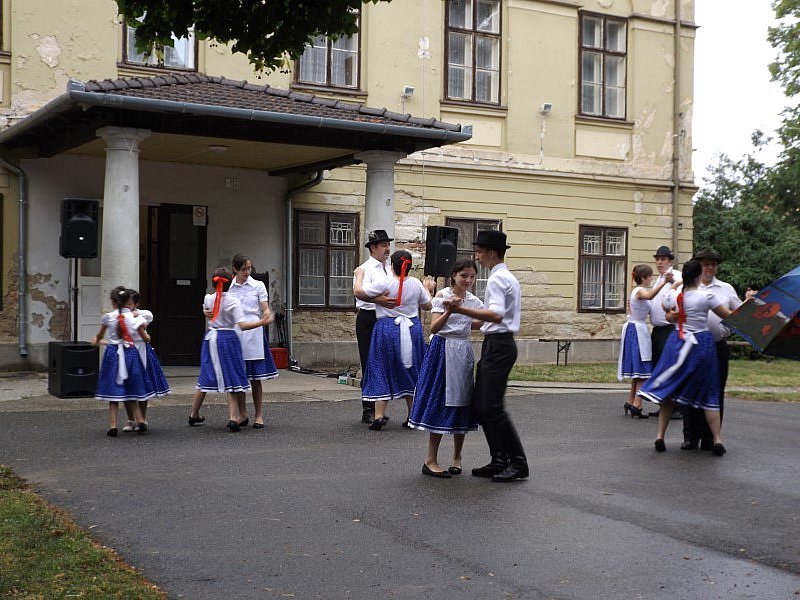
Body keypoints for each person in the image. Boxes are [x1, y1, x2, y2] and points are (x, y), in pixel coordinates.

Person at [447, 230, 528, 482]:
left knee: (491, 407)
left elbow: (496, 315)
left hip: (499, 345)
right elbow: (494, 317)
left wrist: (460, 309)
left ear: (492, 253)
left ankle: (518, 462)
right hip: (497, 344)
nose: (477, 256)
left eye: (480, 251)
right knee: (483, 406)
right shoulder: (504, 277)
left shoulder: (497, 279)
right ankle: (499, 459)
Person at [637, 260, 733, 456]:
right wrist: (748, 302)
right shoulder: (706, 296)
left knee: (670, 390)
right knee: (709, 388)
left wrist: (675, 288)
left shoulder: (674, 295)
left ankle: (660, 436)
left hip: (677, 343)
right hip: (701, 344)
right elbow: (728, 315)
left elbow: (666, 308)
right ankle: (717, 439)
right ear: (699, 276)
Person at [408, 259, 482, 478]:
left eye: (472, 276)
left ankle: (457, 457)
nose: (468, 280)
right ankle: (430, 459)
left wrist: (475, 320)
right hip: (442, 349)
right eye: (464, 276)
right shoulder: (442, 296)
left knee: (463, 402)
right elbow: (434, 327)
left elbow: (478, 323)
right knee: (440, 401)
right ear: (454, 276)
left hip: (463, 350)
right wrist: (450, 311)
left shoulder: (474, 301)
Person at [354, 249, 433, 430]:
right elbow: (428, 305)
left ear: (392, 266)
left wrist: (359, 275)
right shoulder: (415, 284)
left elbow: (358, 292)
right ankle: (412, 415)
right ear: (409, 266)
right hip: (411, 329)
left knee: (381, 367)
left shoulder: (386, 282)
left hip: (387, 329)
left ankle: (379, 415)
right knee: (412, 369)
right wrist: (427, 289)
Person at [680, 248, 743, 450]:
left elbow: (738, 314)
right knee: (691, 388)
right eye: (706, 264)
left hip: (717, 346)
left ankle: (710, 437)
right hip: (692, 346)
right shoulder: (687, 288)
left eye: (713, 264)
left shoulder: (726, 289)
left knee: (715, 390)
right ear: (699, 266)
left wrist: (749, 302)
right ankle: (691, 436)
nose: (710, 268)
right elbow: (671, 312)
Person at [195, 267, 271, 432]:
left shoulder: (208, 298)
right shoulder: (233, 301)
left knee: (205, 375)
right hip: (228, 338)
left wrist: (205, 312)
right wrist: (262, 322)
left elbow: (207, 308)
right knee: (232, 375)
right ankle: (233, 417)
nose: (247, 271)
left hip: (211, 338)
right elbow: (242, 325)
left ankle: (194, 413)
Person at [91, 287, 154, 436]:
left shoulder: (109, 317)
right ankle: (140, 420)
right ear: (127, 302)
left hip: (113, 354)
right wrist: (146, 336)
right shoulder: (134, 318)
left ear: (113, 302)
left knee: (115, 387)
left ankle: (113, 425)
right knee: (133, 386)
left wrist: (98, 340)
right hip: (131, 353)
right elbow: (146, 338)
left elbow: (100, 336)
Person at [225, 254, 277, 429]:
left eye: (249, 268)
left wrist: (267, 314)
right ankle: (242, 414)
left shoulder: (258, 285)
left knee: (256, 378)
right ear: (235, 270)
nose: (247, 272)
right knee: (239, 377)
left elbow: (264, 307)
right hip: (236, 333)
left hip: (254, 332)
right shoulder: (229, 287)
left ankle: (259, 415)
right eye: (243, 269)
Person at [618, 264, 673, 418]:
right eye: (649, 277)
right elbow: (649, 296)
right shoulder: (640, 291)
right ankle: (637, 404)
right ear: (643, 278)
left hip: (636, 328)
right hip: (637, 330)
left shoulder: (636, 291)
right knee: (642, 369)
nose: (651, 279)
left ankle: (631, 400)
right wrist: (664, 282)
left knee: (638, 371)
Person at [354, 229, 394, 424]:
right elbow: (360, 295)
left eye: (388, 245)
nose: (387, 248)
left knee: (384, 362)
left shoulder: (389, 268)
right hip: (369, 318)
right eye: (383, 245)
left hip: (385, 318)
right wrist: (379, 299)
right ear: (373, 248)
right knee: (369, 362)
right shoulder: (365, 269)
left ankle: (379, 407)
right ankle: (368, 408)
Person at [120, 289, 170, 431]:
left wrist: (133, 314)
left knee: (142, 386)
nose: (127, 306)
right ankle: (130, 419)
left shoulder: (142, 314)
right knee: (127, 387)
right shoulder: (119, 316)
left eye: (130, 304)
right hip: (126, 351)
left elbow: (149, 316)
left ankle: (142, 418)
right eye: (125, 303)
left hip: (142, 351)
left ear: (136, 304)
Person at [648, 245, 683, 419]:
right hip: (658, 329)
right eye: (657, 259)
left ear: (670, 261)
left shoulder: (676, 276)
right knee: (659, 367)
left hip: (669, 328)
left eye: (663, 259)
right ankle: (664, 404)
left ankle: (675, 406)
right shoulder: (659, 279)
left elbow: (679, 298)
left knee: (669, 366)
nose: (659, 262)